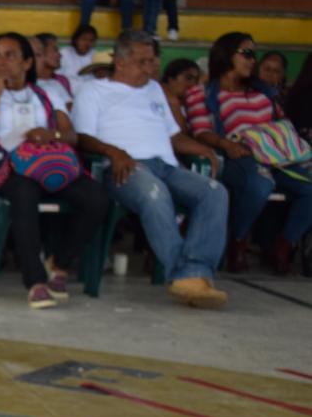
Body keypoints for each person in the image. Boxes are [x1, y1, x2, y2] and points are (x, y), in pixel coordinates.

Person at [74, 29, 227, 308]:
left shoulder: (154, 89)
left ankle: (196, 271)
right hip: (124, 168)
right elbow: (82, 137)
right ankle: (184, 277)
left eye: (153, 61)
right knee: (155, 193)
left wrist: (202, 148)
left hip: (166, 166)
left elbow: (173, 136)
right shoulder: (93, 91)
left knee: (215, 192)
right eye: (142, 62)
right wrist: (114, 152)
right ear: (120, 62)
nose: (150, 68)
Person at [0, 33, 110, 308]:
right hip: (9, 169)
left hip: (49, 164)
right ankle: (36, 281)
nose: (1, 61)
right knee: (24, 195)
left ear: (27, 62)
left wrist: (50, 134)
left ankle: (60, 262)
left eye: (10, 55)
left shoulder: (47, 93)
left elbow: (71, 136)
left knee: (97, 198)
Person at [186, 33, 312, 275]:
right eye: (246, 53)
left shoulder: (263, 91)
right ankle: (238, 242)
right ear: (226, 54)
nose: (252, 60)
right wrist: (225, 144)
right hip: (237, 155)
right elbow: (201, 131)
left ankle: (283, 246)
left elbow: (281, 122)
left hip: (275, 156)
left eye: (254, 54)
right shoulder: (202, 93)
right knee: (260, 184)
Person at [160, 57, 198, 135]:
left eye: (196, 80)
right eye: (188, 78)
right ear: (171, 79)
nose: (193, 84)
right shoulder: (160, 103)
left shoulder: (194, 105)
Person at [34, 32, 74, 105]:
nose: (60, 55)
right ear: (40, 52)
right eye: (55, 49)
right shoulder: (27, 85)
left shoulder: (58, 82)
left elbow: (70, 108)